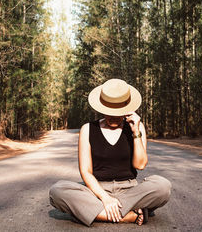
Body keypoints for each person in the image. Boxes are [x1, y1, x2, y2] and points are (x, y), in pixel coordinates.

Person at [49, 78, 172, 227]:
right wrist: (105, 198)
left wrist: (135, 132)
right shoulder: (87, 129)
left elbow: (140, 165)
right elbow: (86, 172)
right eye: (109, 111)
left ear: (127, 109)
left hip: (130, 190)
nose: (113, 116)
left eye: (118, 111)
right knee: (57, 191)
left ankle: (91, 213)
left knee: (163, 186)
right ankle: (128, 215)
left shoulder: (137, 128)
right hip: (96, 191)